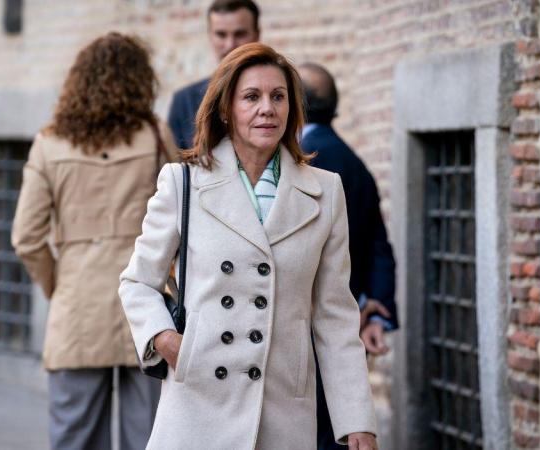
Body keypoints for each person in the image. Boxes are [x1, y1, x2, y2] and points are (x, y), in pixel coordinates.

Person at [118, 43, 379, 450]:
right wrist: (167, 341)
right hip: (199, 401)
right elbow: (138, 282)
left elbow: (335, 316)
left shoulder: (325, 192)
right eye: (252, 97)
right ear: (226, 108)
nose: (267, 109)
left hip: (283, 410)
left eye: (278, 97)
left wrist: (356, 420)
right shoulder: (183, 183)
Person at [11, 32, 178, 450]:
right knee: (152, 437)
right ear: (141, 80)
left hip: (76, 311)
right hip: (147, 306)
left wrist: (59, 285)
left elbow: (26, 238)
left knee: (75, 437)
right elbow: (183, 221)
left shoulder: (49, 143)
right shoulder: (155, 136)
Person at [299, 63, 398, 450]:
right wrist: (376, 309)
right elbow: (378, 244)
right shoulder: (355, 163)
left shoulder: (305, 164)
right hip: (351, 316)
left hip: (315, 323)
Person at [167, 0, 260, 150]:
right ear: (210, 36)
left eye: (240, 34)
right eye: (221, 34)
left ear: (256, 35)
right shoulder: (184, 101)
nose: (230, 45)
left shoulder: (285, 94)